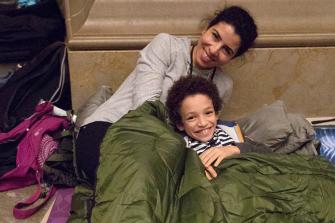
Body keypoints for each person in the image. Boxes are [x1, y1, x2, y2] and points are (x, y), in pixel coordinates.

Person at [76, 5, 258, 184]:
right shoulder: (167, 46)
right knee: (125, 184)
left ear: (232, 58)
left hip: (158, 150)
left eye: (226, 50)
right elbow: (145, 108)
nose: (213, 49)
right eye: (215, 36)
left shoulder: (223, 85)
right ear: (205, 29)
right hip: (109, 128)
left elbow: (200, 132)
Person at [166, 75, 271, 179]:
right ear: (180, 124)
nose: (203, 123)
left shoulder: (231, 131)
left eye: (208, 113)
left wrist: (235, 149)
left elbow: (269, 154)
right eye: (191, 118)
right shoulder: (180, 147)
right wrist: (195, 176)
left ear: (216, 114)